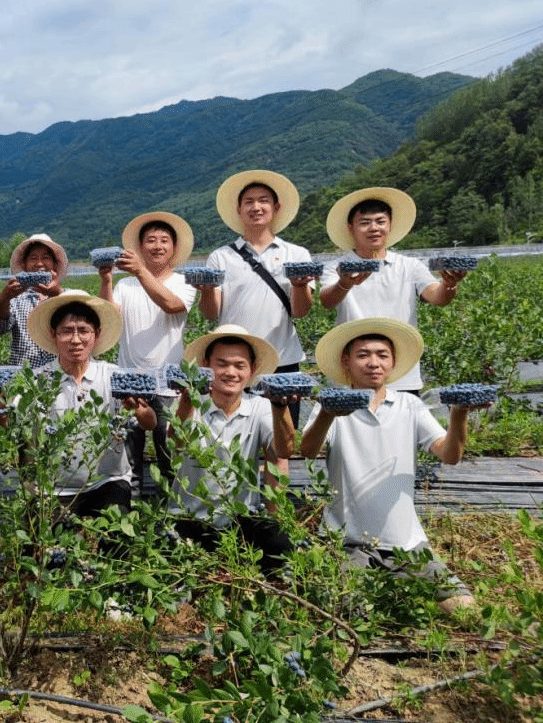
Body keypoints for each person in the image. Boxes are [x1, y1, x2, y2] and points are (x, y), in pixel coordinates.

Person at [299, 318, 485, 614]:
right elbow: (308, 450)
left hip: (406, 543)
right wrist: (329, 414)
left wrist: (458, 414)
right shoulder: (330, 407)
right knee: (350, 615)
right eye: (363, 355)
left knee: (465, 611)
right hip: (347, 541)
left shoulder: (409, 406)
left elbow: (449, 455)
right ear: (346, 361)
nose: (373, 363)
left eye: (382, 355)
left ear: (393, 362)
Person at [169, 325, 296, 573]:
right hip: (189, 518)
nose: (230, 372)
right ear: (205, 365)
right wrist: (187, 400)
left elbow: (284, 450)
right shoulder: (187, 404)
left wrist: (280, 406)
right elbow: (177, 443)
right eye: (222, 364)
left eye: (239, 365)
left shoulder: (260, 407)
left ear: (252, 370)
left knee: (280, 548)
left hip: (240, 520)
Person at [22, 291, 157, 517]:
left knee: (114, 531)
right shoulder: (37, 381)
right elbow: (5, 424)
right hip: (52, 487)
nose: (76, 340)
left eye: (83, 331)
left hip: (107, 481)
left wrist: (139, 409)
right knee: (45, 537)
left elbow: (150, 423)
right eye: (67, 331)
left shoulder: (114, 376)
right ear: (53, 334)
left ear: (97, 334)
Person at [197, 170, 316, 427]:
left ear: (276, 207)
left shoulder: (297, 254)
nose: (256, 207)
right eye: (249, 202)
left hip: (283, 359)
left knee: (282, 438)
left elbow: (301, 311)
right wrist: (206, 290)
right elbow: (210, 313)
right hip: (235, 363)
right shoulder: (221, 257)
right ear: (239, 210)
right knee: (233, 433)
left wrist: (299, 286)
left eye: (263, 200)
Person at [319, 187, 467, 392]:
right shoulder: (337, 267)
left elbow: (437, 296)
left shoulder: (409, 266)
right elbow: (327, 300)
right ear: (350, 228)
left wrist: (450, 283)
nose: (374, 228)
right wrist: (345, 283)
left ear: (390, 225)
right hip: (355, 373)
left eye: (380, 222)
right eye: (365, 223)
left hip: (401, 372)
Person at [97, 211, 197, 490]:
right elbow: (109, 318)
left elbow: (172, 306)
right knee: (129, 452)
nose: (157, 246)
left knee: (170, 451)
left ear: (174, 248)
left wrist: (140, 271)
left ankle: (172, 502)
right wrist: (106, 280)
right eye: (150, 240)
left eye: (164, 240)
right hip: (130, 379)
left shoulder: (183, 282)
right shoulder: (125, 284)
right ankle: (131, 500)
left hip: (169, 383)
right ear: (140, 247)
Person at [0, 233, 67, 369]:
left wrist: (57, 295)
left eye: (46, 258)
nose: (39, 264)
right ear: (24, 265)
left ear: (55, 265)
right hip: (24, 374)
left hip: (60, 374)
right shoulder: (16, 299)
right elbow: (0, 328)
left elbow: (76, 322)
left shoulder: (68, 295)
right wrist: (4, 299)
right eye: (33, 258)